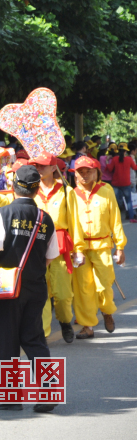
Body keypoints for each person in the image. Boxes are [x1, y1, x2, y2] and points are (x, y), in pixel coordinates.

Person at [0, 165, 59, 413]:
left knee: (5, 339)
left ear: (14, 187)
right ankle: (48, 394)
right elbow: (50, 256)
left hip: (6, 287)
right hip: (35, 286)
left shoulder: (2, 214)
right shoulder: (45, 219)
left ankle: (9, 397)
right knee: (35, 339)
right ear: (37, 190)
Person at [70, 156, 126, 339]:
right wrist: (76, 249)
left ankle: (106, 310)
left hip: (102, 246)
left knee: (104, 285)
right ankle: (87, 326)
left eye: (88, 171)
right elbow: (71, 223)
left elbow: (115, 219)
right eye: (80, 172)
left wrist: (120, 246)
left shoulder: (106, 190)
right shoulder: (71, 194)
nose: (84, 175)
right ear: (75, 175)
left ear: (97, 172)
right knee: (83, 288)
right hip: (80, 248)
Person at [29, 153, 76, 343]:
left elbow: (74, 223)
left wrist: (77, 249)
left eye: (42, 166)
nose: (39, 170)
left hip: (61, 248)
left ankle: (65, 321)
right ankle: (44, 334)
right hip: (37, 247)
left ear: (53, 168)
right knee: (41, 294)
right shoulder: (29, 191)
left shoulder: (66, 191)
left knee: (63, 295)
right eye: (36, 166)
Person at [104, 145, 137, 222]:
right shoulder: (129, 159)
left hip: (116, 183)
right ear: (126, 152)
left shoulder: (115, 159)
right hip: (126, 183)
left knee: (115, 201)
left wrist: (107, 162)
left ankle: (115, 218)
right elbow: (135, 168)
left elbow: (110, 169)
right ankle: (131, 218)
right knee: (129, 201)